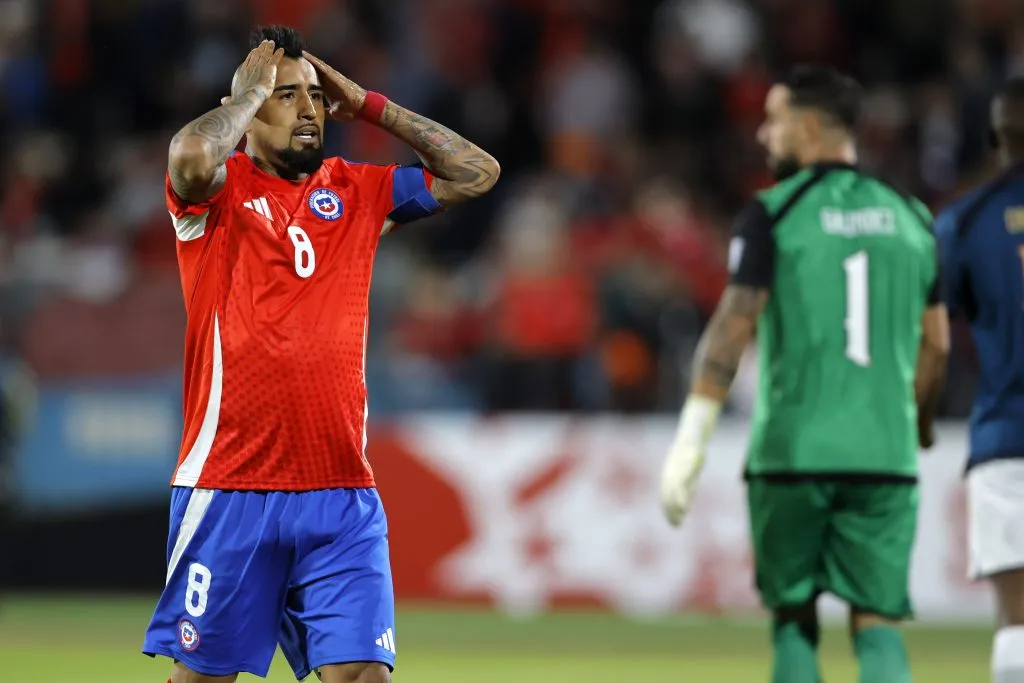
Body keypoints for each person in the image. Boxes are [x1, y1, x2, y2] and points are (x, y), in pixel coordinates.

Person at [141, 25, 499, 683]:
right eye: (286, 96)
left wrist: (365, 102)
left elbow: (477, 172)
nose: (308, 110)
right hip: (230, 485)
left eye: (314, 97)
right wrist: (248, 97)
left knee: (365, 674)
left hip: (340, 493)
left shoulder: (358, 192)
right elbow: (189, 155)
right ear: (246, 106)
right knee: (204, 678)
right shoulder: (216, 198)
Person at [659, 65, 949, 683]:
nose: (764, 134)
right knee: (879, 627)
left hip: (791, 453)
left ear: (811, 127)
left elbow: (735, 326)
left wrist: (692, 435)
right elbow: (939, 344)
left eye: (775, 119)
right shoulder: (913, 217)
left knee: (792, 621)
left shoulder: (773, 213)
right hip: (884, 458)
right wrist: (917, 424)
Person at [935, 76, 1024, 683]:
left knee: (1016, 616)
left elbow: (934, 335)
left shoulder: (964, 222)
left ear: (998, 137)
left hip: (1006, 437)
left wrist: (915, 414)